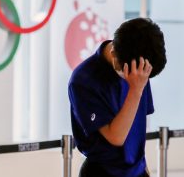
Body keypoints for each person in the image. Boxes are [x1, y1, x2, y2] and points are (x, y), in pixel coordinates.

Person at [68, 18, 167, 177]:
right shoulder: (83, 79)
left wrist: (144, 168)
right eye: (126, 73)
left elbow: (136, 129)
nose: (139, 77)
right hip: (102, 171)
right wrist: (135, 89)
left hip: (137, 169)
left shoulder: (139, 68)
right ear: (113, 53)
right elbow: (116, 137)